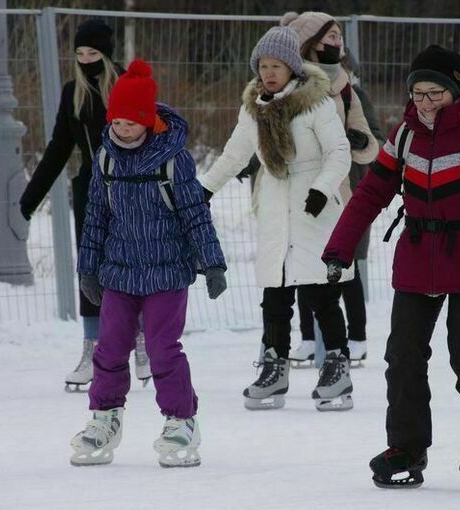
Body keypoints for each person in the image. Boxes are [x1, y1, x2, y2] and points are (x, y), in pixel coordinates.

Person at [323, 45, 460, 490]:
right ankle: (407, 448)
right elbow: (371, 193)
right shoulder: (404, 136)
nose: (426, 103)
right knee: (403, 357)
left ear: (456, 90)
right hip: (417, 258)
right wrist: (339, 247)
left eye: (435, 92)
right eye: (418, 93)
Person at [69, 59, 228, 467]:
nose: (121, 129)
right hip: (119, 273)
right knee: (109, 349)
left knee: (162, 350)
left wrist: (212, 263)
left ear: (146, 119)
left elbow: (195, 213)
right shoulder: (106, 160)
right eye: (116, 121)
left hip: (166, 274)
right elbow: (96, 218)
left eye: (130, 122)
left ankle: (181, 421)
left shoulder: (173, 160)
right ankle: (104, 416)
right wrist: (87, 267)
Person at [199, 27, 355, 411]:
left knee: (321, 295)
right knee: (275, 295)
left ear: (291, 68)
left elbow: (339, 151)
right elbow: (234, 155)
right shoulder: (253, 108)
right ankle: (274, 367)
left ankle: (336, 365)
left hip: (312, 208)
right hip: (273, 205)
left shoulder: (315, 103)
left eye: (276, 66)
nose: (268, 73)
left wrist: (321, 188)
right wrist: (202, 190)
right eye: (263, 66)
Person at [18, 20, 152, 391]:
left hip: (130, 189)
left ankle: (140, 342)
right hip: (90, 192)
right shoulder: (72, 93)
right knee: (90, 269)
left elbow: (155, 135)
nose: (86, 60)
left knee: (131, 264)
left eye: (93, 53)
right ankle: (92, 349)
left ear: (106, 54)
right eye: (79, 53)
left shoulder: (129, 85)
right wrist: (30, 200)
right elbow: (59, 148)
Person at [281, 12, 380, 366]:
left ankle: (353, 340)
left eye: (340, 35)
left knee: (343, 267)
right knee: (305, 269)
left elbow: (373, 143)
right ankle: (310, 339)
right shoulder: (285, 84)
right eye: (330, 36)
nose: (338, 43)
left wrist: (359, 142)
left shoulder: (349, 90)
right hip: (298, 192)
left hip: (341, 192)